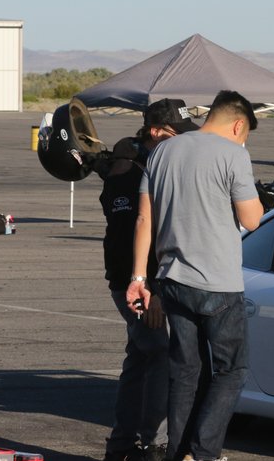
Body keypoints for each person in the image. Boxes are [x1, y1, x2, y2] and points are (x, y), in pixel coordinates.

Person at [127, 90, 263, 461]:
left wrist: (139, 278)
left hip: (172, 282)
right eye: (245, 133)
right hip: (218, 285)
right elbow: (251, 219)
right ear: (238, 124)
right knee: (231, 371)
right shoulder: (234, 154)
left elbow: (144, 219)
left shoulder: (163, 152)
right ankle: (203, 453)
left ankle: (178, 452)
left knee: (185, 372)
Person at [101, 98, 199, 461]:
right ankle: (152, 444)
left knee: (140, 356)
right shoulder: (128, 171)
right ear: (156, 132)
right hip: (135, 282)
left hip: (149, 280)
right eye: (177, 134)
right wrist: (150, 289)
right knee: (158, 351)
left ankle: (122, 445)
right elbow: (137, 234)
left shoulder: (154, 164)